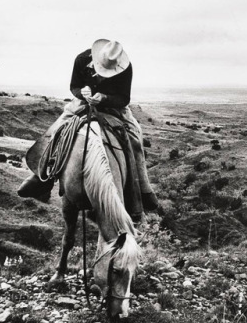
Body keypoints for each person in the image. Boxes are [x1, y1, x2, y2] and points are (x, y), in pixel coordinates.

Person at [18, 39, 158, 215]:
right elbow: (73, 86)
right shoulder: (81, 59)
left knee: (135, 138)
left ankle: (144, 188)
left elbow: (124, 98)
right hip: (82, 104)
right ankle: (41, 176)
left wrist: (105, 98)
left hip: (114, 107)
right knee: (56, 129)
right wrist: (82, 92)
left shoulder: (125, 68)